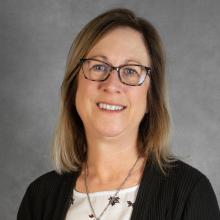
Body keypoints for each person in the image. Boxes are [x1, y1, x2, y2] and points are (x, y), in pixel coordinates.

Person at [17, 8, 220, 220]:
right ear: (74, 87)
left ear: (151, 97)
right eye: (98, 66)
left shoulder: (189, 193)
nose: (112, 84)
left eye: (131, 71)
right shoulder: (40, 196)